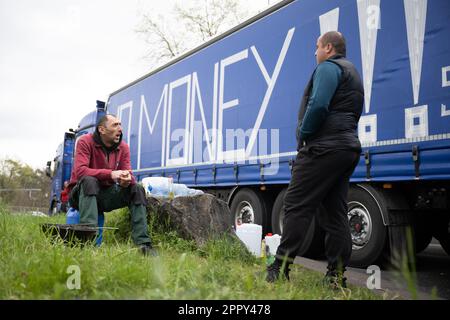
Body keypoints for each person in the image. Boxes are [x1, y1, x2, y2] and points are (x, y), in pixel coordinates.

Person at [266, 31, 364, 288]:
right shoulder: (351, 72)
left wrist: (303, 132)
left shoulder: (328, 68)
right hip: (346, 148)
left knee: (296, 205)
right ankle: (335, 277)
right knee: (335, 214)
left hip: (322, 149)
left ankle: (279, 268)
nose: (315, 52)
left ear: (328, 48)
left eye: (317, 46)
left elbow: (318, 105)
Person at [68, 114, 156, 256]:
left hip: (105, 195)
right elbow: (80, 172)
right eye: (115, 125)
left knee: (137, 188)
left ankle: (143, 245)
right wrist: (111, 174)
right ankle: (88, 243)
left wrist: (126, 179)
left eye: (120, 124)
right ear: (102, 129)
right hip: (81, 195)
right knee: (89, 180)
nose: (120, 129)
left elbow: (128, 173)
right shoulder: (85, 141)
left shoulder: (123, 147)